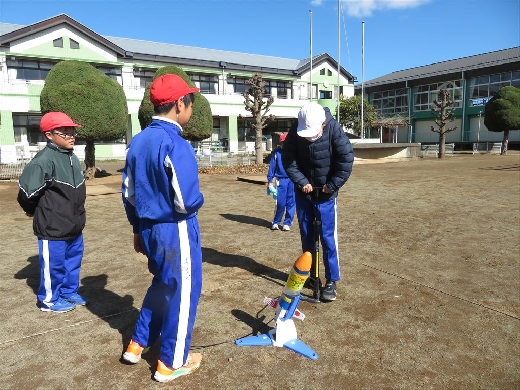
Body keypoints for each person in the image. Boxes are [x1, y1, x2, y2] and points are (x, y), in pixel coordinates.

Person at [121, 74, 204, 383]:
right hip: (176, 228)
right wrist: (200, 199)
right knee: (184, 292)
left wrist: (137, 229)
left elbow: (128, 193)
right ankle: (171, 362)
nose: (191, 109)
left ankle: (137, 343)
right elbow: (185, 201)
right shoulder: (175, 142)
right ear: (179, 104)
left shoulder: (138, 141)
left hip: (148, 228)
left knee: (162, 285)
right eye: (190, 102)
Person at [282, 101, 354, 302]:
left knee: (328, 239)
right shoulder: (297, 127)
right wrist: (302, 181)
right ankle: (310, 276)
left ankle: (331, 281)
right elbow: (288, 158)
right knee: (307, 238)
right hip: (304, 194)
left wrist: (332, 184)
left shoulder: (334, 128)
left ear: (323, 124)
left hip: (326, 196)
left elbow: (346, 159)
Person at [17, 112, 87, 313]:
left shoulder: (71, 156)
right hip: (53, 226)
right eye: (65, 132)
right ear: (49, 135)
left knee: (72, 263)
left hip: (74, 225)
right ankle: (48, 300)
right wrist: (32, 211)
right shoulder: (44, 160)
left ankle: (68, 291)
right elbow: (26, 193)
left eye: (72, 131)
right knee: (53, 266)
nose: (71, 136)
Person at [266, 133, 295, 231]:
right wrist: (270, 181)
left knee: (291, 202)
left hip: (293, 180)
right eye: (283, 143)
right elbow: (272, 167)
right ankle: (276, 222)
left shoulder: (295, 152)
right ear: (281, 143)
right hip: (281, 180)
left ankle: (287, 223)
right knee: (280, 203)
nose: (285, 145)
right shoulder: (276, 153)